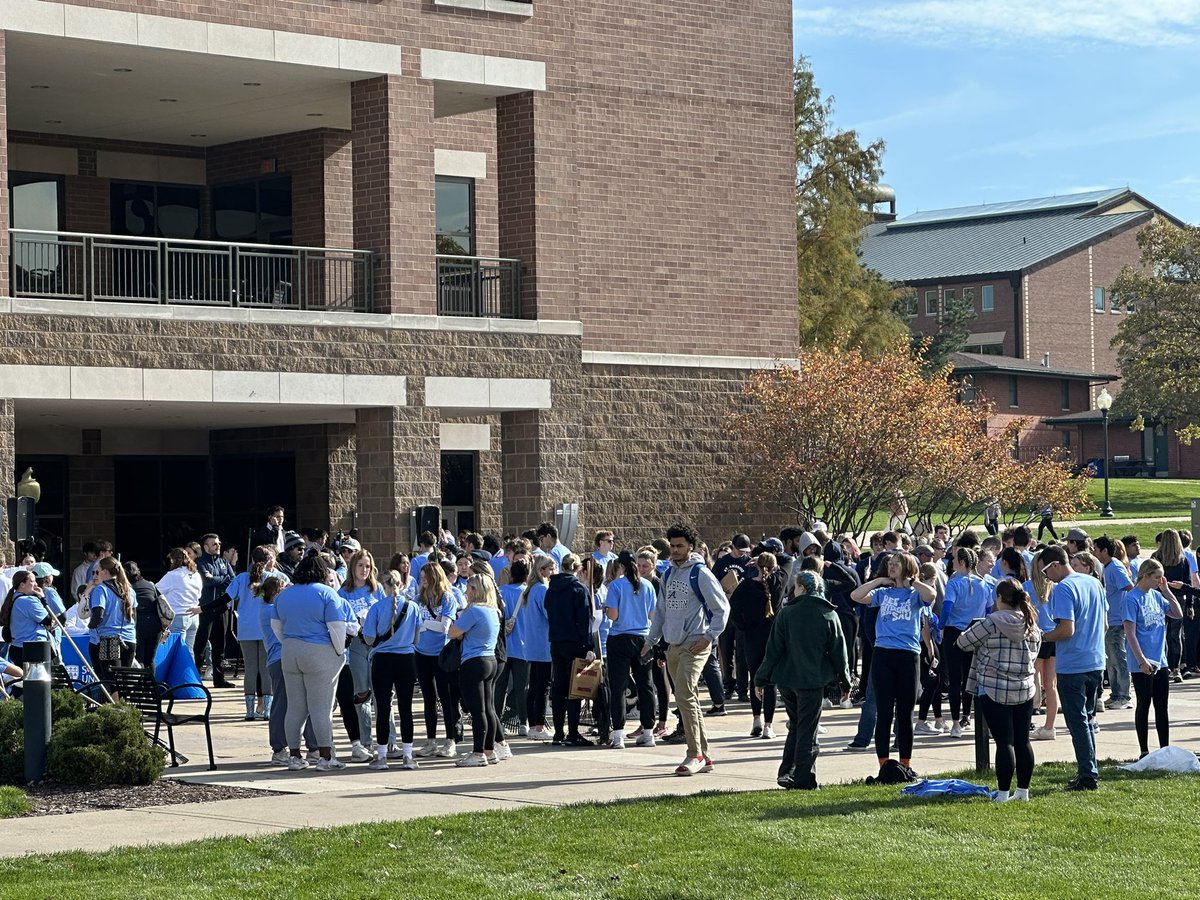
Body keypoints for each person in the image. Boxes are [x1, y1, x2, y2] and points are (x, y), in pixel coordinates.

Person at [646, 523, 729, 777]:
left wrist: (709, 637)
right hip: (673, 644)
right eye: (672, 546)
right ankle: (705, 755)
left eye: (680, 545)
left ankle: (694, 754)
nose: (675, 550)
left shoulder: (700, 573)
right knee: (687, 698)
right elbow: (661, 612)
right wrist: (651, 641)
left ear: (691, 546)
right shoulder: (668, 575)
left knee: (683, 693)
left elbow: (721, 608)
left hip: (696, 643)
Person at [756, 570, 850, 790]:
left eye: (796, 586)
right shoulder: (828, 614)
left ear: (803, 588)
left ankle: (787, 772)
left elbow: (773, 650)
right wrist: (845, 682)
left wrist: (761, 679)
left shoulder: (787, 614)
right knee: (808, 729)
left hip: (787, 680)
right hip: (812, 681)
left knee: (797, 727)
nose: (793, 590)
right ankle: (804, 778)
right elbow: (840, 652)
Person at [850, 551, 936, 775]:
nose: (892, 567)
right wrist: (878, 580)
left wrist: (913, 581)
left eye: (897, 564)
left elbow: (930, 595)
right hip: (883, 654)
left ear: (907, 567)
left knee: (905, 712)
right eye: (891, 564)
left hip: (908, 655)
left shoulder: (914, 594)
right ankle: (884, 765)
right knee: (885, 711)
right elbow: (856, 596)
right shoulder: (883, 593)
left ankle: (906, 764)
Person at [956, 578, 1041, 802]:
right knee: (1023, 741)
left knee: (1004, 742)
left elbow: (963, 643)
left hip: (993, 687)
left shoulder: (991, 622)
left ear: (1000, 598)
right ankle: (1023, 791)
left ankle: (1002, 793)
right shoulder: (1031, 622)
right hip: (1024, 688)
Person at [271, 553, 349, 771]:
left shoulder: (284, 595)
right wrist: (339, 652)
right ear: (322, 572)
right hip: (319, 651)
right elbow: (337, 628)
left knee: (295, 707)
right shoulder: (327, 593)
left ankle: (294, 756)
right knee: (321, 708)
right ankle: (325, 757)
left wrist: (290, 641)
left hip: (290, 650)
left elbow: (276, 626)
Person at [1040, 544, 1106, 790]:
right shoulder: (1093, 583)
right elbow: (1105, 623)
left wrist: (1041, 636)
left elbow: (1066, 630)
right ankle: (1090, 769)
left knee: (1077, 721)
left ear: (1055, 565)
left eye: (1046, 571)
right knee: (1087, 719)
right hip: (1096, 660)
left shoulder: (1064, 588)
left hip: (1073, 665)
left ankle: (1088, 775)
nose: (1046, 577)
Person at [1124, 559, 1185, 758]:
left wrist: (1166, 590)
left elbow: (1177, 613)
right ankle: (1144, 750)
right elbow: (1130, 633)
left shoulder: (1157, 596)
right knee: (1144, 704)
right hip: (1141, 660)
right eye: (1157, 577)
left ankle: (1164, 748)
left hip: (1160, 659)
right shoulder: (1132, 598)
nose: (1160, 580)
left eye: (1161, 577)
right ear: (1145, 576)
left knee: (1162, 705)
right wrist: (1141, 660)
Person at [363, 569, 422, 771]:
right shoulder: (413, 607)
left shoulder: (376, 608)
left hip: (382, 660)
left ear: (385, 586)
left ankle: (381, 756)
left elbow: (369, 638)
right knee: (406, 708)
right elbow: (417, 638)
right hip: (406, 659)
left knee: (383, 707)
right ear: (400, 585)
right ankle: (407, 755)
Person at [448, 573, 508, 766]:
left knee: (477, 710)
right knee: (489, 708)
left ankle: (478, 752)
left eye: (469, 588)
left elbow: (452, 632)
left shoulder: (474, 611)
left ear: (475, 591)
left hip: (473, 661)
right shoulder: (494, 611)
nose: (466, 592)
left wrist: (461, 631)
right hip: (490, 658)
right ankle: (489, 750)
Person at [604, 550, 659, 749]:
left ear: (621, 566)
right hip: (643, 637)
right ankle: (648, 731)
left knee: (618, 686)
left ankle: (618, 734)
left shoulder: (616, 586)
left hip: (619, 637)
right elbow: (653, 616)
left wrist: (605, 608)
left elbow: (613, 615)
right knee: (646, 685)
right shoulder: (648, 586)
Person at [729, 552, 784, 739]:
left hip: (752, 636)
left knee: (755, 678)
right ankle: (769, 725)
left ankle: (756, 720)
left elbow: (733, 610)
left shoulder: (745, 586)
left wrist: (743, 626)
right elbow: (787, 561)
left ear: (756, 566)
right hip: (773, 637)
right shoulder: (778, 582)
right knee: (770, 681)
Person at [544, 553, 595, 746]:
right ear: (577, 568)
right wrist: (589, 645)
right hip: (575, 642)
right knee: (575, 689)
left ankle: (558, 732)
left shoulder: (552, 589)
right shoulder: (578, 588)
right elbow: (584, 620)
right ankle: (572, 731)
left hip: (556, 641)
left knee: (559, 687)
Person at [413, 558, 460, 759]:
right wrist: (431, 622)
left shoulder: (448, 598)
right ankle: (431, 740)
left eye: (425, 577)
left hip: (442, 654)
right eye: (421, 577)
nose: (422, 580)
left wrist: (426, 623)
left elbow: (445, 627)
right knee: (428, 698)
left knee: (446, 697)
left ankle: (451, 740)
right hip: (421, 653)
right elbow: (417, 625)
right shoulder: (418, 599)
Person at [230, 546, 284, 722]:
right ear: (268, 560)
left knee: (250, 670)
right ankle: (267, 710)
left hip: (245, 629)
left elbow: (225, 599)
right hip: (266, 628)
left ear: (252, 560)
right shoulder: (272, 579)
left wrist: (202, 609)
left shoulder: (241, 579)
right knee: (265, 669)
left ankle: (249, 711)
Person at [941, 548, 990, 737]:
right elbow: (987, 611)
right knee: (971, 676)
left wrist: (941, 625)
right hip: (975, 631)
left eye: (954, 559)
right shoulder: (984, 584)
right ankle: (967, 715)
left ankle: (955, 723)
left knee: (955, 678)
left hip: (955, 632)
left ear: (961, 562)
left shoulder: (954, 583)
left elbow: (947, 608)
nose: (952, 561)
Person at [1094, 536, 1133, 711]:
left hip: (1117, 620)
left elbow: (1128, 587)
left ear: (1104, 551)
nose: (1093, 552)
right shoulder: (1105, 567)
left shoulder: (1115, 566)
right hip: (1109, 620)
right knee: (1111, 661)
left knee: (1119, 659)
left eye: (1096, 549)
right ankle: (1115, 694)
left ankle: (1125, 696)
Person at [495, 559, 532, 736]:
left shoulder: (501, 591)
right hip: (524, 646)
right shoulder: (528, 593)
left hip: (503, 646)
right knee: (521, 686)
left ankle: (498, 720)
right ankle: (523, 721)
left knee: (500, 686)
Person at [194, 533, 236, 688]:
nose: (218, 546)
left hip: (222, 608)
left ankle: (219, 679)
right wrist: (222, 579)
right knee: (200, 643)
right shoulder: (200, 562)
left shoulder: (224, 562)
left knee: (219, 646)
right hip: (205, 608)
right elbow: (208, 581)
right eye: (214, 544)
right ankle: (196, 678)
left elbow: (233, 580)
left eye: (218, 543)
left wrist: (220, 579)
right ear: (205, 547)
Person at [84, 557, 136, 679]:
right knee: (124, 679)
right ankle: (124, 699)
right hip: (129, 638)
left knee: (111, 680)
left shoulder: (101, 590)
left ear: (105, 572)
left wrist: (91, 625)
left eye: (98, 571)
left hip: (109, 639)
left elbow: (98, 615)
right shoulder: (129, 590)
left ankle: (113, 699)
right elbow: (134, 616)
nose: (96, 575)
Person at [1028, 549, 1059, 741]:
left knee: (1033, 681)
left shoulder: (1026, 586)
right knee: (1051, 684)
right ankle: (1050, 726)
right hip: (1053, 636)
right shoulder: (1056, 588)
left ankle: (1029, 718)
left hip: (1036, 637)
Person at [0, 569, 57, 668]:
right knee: (39, 681)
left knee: (25, 681)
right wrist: (43, 598)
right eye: (32, 581)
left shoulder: (13, 598)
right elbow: (47, 619)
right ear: (22, 584)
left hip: (17, 647)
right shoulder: (28, 600)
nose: (35, 584)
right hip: (33, 648)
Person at [125, 561, 166, 678]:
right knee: (150, 660)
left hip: (139, 624)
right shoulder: (151, 585)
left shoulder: (128, 589)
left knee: (139, 659)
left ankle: (141, 690)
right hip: (155, 624)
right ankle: (151, 690)